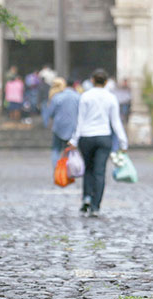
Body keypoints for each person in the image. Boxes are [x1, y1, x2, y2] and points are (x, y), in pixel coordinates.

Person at [69, 69, 128, 217]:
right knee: (100, 171)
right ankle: (96, 206)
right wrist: (123, 142)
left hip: (86, 136)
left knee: (88, 168)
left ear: (92, 80)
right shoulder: (111, 98)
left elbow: (80, 120)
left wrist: (74, 140)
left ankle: (86, 198)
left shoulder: (85, 96)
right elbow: (116, 122)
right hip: (103, 137)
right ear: (106, 82)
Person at [42, 77, 80, 168]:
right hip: (73, 126)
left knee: (56, 149)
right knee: (69, 149)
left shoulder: (57, 97)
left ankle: (57, 168)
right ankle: (69, 168)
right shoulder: (78, 97)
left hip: (58, 127)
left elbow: (50, 112)